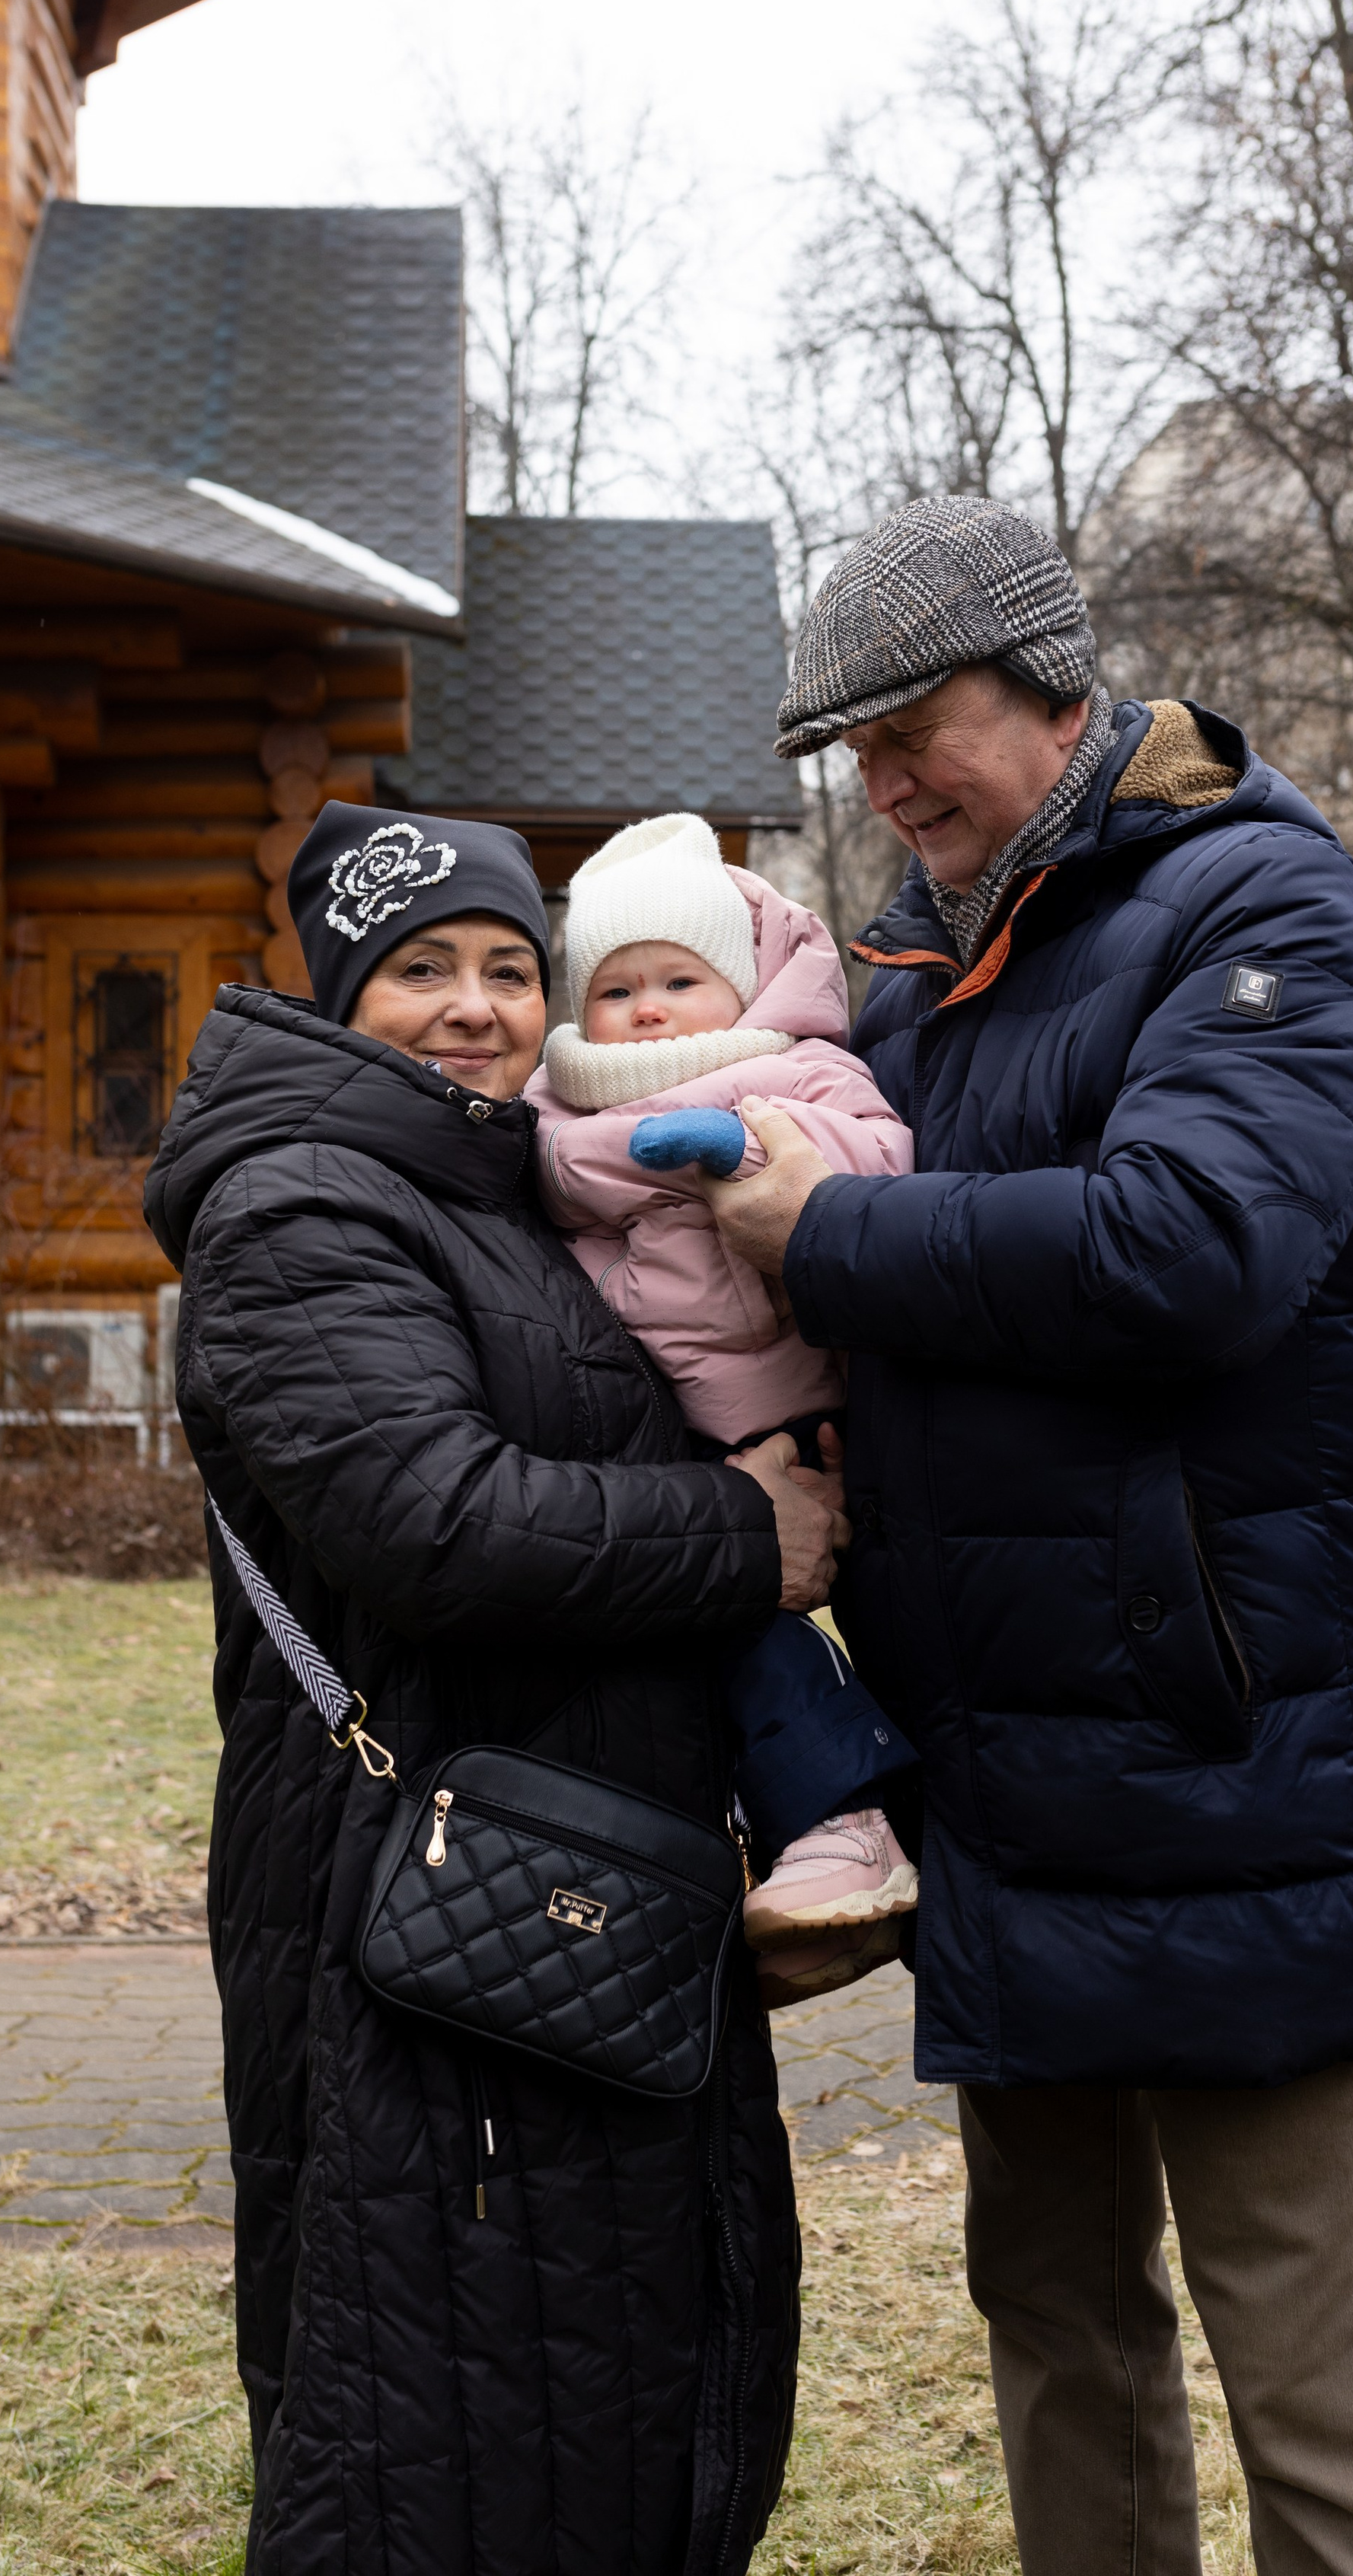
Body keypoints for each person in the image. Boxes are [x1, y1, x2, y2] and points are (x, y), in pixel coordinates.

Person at [698, 494, 1353, 2576]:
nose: (882, 785)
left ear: (1050, 689)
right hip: (994, 1766)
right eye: (852, 753)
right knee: (1057, 2325)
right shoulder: (916, 972)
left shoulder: (1260, 908)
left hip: (1214, 1755)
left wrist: (827, 1235)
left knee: (1304, 2361)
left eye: (911, 731)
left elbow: (1189, 1251)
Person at [143, 803, 834, 2576]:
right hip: (419, 1899)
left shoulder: (498, 1189)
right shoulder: (301, 1205)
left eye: (510, 969)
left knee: (575, 2393)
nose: (473, 1005)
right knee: (431, 2419)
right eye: (420, 969)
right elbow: (428, 1520)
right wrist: (741, 1534)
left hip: (559, 1886)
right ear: (341, 995)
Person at [525, 808, 921, 2004]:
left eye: (679, 981)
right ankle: (781, 1856)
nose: (648, 1011)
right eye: (617, 989)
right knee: (681, 1635)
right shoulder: (556, 1116)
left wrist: (747, 1150)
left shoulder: (791, 1069)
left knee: (745, 1629)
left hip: (794, 1416)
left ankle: (847, 1819)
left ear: (740, 988)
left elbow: (882, 1161)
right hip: (669, 1434)